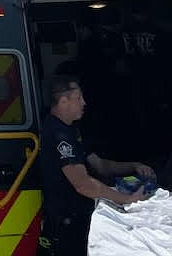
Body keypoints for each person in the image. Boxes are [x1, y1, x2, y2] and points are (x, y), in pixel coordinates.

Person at [37, 75, 156, 255]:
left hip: (76, 221)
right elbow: (83, 184)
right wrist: (126, 199)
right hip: (64, 225)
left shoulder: (71, 131)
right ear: (63, 101)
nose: (84, 103)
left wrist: (133, 166)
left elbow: (100, 165)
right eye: (79, 98)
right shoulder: (58, 135)